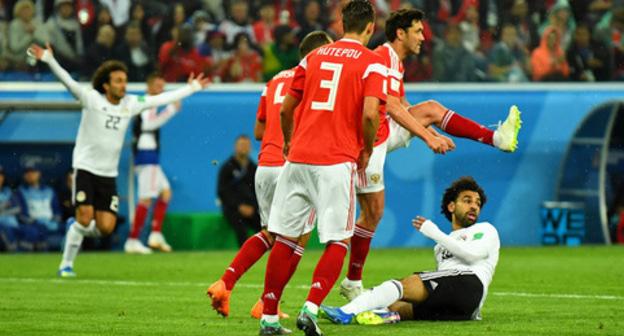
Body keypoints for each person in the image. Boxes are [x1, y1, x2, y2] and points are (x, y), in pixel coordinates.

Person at [340, 8, 521, 303]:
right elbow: (395, 109)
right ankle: (350, 281)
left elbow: (402, 105)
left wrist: (431, 130)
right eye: (418, 31)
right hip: (367, 139)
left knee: (431, 110)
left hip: (383, 132)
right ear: (401, 33)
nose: (424, 37)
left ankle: (496, 138)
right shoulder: (383, 57)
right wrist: (427, 137)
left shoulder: (395, 62)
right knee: (372, 213)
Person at [28, 42, 209, 277]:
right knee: (84, 217)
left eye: (124, 80)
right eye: (118, 81)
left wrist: (191, 88)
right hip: (85, 168)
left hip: (108, 174)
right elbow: (68, 82)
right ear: (106, 84)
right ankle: (67, 264)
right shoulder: (91, 99)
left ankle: (76, 229)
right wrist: (50, 60)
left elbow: (160, 99)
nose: (123, 85)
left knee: (106, 227)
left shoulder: (131, 104)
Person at [258, 1, 386, 335]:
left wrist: (288, 141)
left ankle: (269, 316)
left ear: (342, 23)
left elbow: (287, 108)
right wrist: (367, 149)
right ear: (371, 27)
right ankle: (311, 309)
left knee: (285, 238)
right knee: (339, 240)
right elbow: (371, 114)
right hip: (335, 161)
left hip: (297, 158)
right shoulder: (374, 64)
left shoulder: (311, 57)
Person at [206, 31, 333, 320]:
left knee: (269, 234)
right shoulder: (315, 77)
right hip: (295, 165)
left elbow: (259, 131)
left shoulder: (274, 80)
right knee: (297, 240)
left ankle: (226, 282)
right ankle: (266, 304)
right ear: (319, 52)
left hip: (265, 165)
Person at [322, 176, 499, 323]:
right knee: (398, 305)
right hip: (460, 307)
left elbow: (471, 256)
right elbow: (444, 277)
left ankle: (345, 312)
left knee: (403, 284)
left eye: (477, 203)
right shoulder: (440, 247)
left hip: (470, 285)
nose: (474, 206)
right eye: (467, 201)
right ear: (451, 206)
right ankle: (385, 315)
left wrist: (434, 232)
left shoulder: (485, 229)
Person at [124, 72, 181, 254]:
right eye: (157, 86)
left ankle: (155, 234)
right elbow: (148, 125)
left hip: (150, 155)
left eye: (162, 87)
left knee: (165, 193)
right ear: (148, 87)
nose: (161, 90)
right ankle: (132, 240)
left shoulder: (149, 102)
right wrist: (171, 110)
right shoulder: (146, 102)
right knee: (146, 198)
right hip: (146, 154)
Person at [217, 135, 261, 248]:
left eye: (246, 145)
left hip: (252, 209)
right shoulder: (227, 167)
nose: (244, 148)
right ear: (235, 147)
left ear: (250, 148)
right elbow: (222, 191)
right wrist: (239, 206)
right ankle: (245, 256)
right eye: (241, 145)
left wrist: (253, 207)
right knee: (242, 231)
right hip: (233, 209)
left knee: (267, 229)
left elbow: (259, 191)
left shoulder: (254, 168)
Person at [15, 165, 62, 251]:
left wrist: (54, 221)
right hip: (33, 224)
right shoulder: (20, 191)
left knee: (70, 228)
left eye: (33, 172)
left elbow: (57, 211)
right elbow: (21, 214)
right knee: (36, 231)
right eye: (27, 173)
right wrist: (36, 222)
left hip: (51, 223)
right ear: (24, 176)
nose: (30, 175)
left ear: (38, 174)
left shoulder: (49, 190)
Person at [0, 166, 20, 252]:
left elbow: (17, 208)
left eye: (0, 175)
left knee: (32, 231)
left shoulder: (8, 191)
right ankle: (13, 251)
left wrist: (2, 211)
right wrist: (4, 205)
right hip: (2, 226)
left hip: (12, 224)